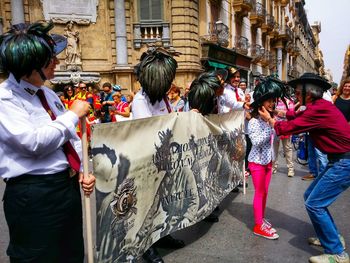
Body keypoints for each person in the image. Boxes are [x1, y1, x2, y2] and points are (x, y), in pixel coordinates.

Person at [0, 21, 96, 263]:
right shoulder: (5, 99)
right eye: (49, 59)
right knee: (38, 257)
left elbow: (72, 138)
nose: (58, 62)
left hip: (66, 189)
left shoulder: (49, 94)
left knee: (71, 254)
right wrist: (73, 114)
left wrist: (83, 171)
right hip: (34, 195)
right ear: (30, 65)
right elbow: (33, 143)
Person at [259, 73, 350, 263]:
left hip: (344, 162)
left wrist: (270, 119)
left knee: (315, 204)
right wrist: (277, 112)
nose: (296, 94)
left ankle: (338, 253)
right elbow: (295, 115)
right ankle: (330, 237)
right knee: (311, 197)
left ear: (309, 94)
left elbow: (288, 128)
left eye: (298, 91)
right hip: (339, 160)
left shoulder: (319, 109)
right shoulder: (318, 106)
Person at [132, 47, 184, 263]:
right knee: (147, 206)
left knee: (163, 202)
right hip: (148, 163)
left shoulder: (162, 99)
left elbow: (170, 120)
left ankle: (162, 235)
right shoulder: (140, 101)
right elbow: (152, 131)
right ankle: (146, 246)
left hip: (165, 159)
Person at [247, 77, 290, 240]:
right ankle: (258, 225)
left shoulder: (271, 118)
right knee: (259, 193)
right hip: (256, 162)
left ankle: (261, 218)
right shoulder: (254, 122)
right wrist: (269, 124)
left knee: (265, 192)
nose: (273, 104)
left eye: (274, 100)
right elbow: (256, 142)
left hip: (268, 161)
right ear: (261, 101)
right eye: (270, 100)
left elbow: (279, 131)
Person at [272, 98, 295, 177]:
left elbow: (292, 113)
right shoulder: (273, 100)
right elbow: (270, 110)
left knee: (288, 149)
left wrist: (282, 113)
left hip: (286, 127)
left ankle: (290, 169)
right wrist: (277, 112)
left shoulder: (289, 101)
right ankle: (273, 167)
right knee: (274, 149)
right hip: (274, 127)